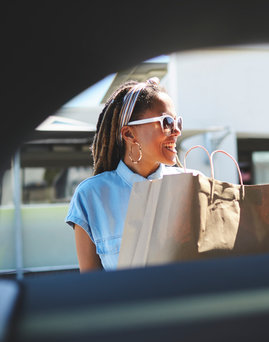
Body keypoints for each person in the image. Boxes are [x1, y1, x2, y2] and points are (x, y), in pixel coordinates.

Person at [65, 78, 189, 271]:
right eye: (167, 122)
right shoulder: (91, 196)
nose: (177, 131)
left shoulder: (191, 184)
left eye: (178, 122)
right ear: (129, 134)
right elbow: (93, 286)